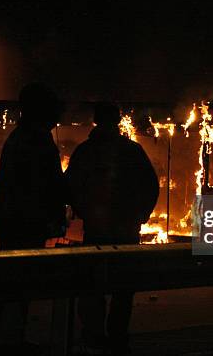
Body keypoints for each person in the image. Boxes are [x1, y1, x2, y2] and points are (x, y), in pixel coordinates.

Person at [66, 103, 159, 355]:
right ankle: (117, 337)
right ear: (118, 121)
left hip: (96, 230)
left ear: (96, 121)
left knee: (94, 286)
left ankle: (94, 337)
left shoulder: (85, 152)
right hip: (125, 231)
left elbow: (70, 186)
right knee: (123, 288)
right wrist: (139, 215)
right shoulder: (132, 151)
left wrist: (83, 212)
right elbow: (151, 186)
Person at [0, 82, 66, 352]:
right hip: (24, 221)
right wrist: (56, 213)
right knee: (17, 282)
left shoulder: (21, 137)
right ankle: (7, 341)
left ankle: (4, 338)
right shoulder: (34, 140)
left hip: (14, 219)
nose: (58, 117)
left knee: (13, 282)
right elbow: (47, 183)